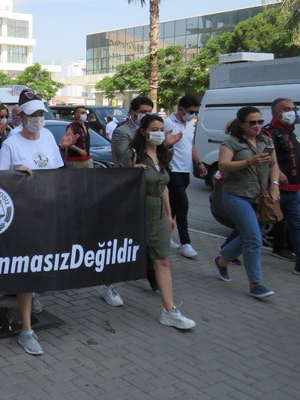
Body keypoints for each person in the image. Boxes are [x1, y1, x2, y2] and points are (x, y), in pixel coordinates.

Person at [0, 90, 76, 355]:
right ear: (23, 117)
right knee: (26, 269)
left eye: (42, 114)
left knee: (42, 263)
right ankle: (26, 330)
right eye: (34, 114)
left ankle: (31, 297)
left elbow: (57, 171)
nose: (39, 119)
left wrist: (64, 151)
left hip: (48, 212)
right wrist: (14, 174)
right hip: (23, 215)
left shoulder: (49, 136)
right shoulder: (11, 143)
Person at [119, 114, 196, 329]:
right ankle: (108, 285)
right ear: (143, 132)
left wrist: (169, 214)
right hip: (136, 210)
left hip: (158, 212)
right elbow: (116, 182)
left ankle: (169, 311)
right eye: (154, 129)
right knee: (123, 255)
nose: (159, 133)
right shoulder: (133, 154)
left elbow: (163, 187)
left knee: (162, 260)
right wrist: (130, 174)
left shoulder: (162, 154)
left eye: (161, 129)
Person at [214, 106, 280, 299]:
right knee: (253, 238)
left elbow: (274, 164)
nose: (257, 126)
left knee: (250, 236)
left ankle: (222, 260)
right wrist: (250, 161)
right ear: (242, 124)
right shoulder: (231, 143)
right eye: (252, 122)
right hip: (236, 196)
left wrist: (274, 185)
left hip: (259, 197)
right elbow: (223, 165)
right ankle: (255, 284)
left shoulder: (266, 141)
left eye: (260, 122)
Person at [164, 95, 206, 258]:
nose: (193, 115)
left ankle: (165, 236)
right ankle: (185, 243)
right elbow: (161, 145)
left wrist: (199, 162)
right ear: (181, 109)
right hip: (172, 170)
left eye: (196, 112)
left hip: (185, 170)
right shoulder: (167, 123)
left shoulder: (190, 124)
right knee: (183, 206)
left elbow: (191, 145)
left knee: (174, 207)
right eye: (191, 111)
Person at [263, 98, 300, 273]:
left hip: (293, 189)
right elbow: (266, 158)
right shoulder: (268, 133)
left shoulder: (291, 132)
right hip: (275, 189)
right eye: (286, 109)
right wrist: (278, 174)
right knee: (254, 226)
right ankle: (227, 253)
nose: (291, 112)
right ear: (275, 112)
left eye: (293, 108)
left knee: (296, 225)